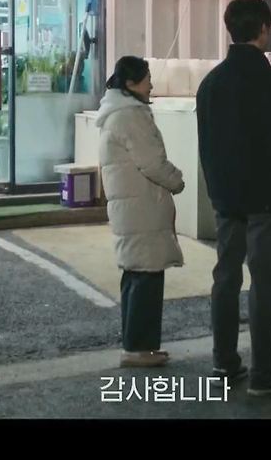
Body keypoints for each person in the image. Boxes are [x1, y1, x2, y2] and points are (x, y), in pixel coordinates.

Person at [196, 0, 271, 398]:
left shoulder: (211, 83)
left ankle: (224, 363)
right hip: (268, 201)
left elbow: (206, 148)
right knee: (264, 284)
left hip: (228, 201)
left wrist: (218, 194)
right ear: (263, 29)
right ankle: (264, 375)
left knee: (225, 278)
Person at [97, 55, 186, 368]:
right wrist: (177, 180)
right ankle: (138, 349)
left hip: (133, 205)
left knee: (136, 274)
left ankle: (138, 346)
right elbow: (151, 163)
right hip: (141, 206)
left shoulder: (117, 112)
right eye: (147, 79)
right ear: (131, 83)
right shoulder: (130, 115)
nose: (151, 85)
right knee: (146, 275)